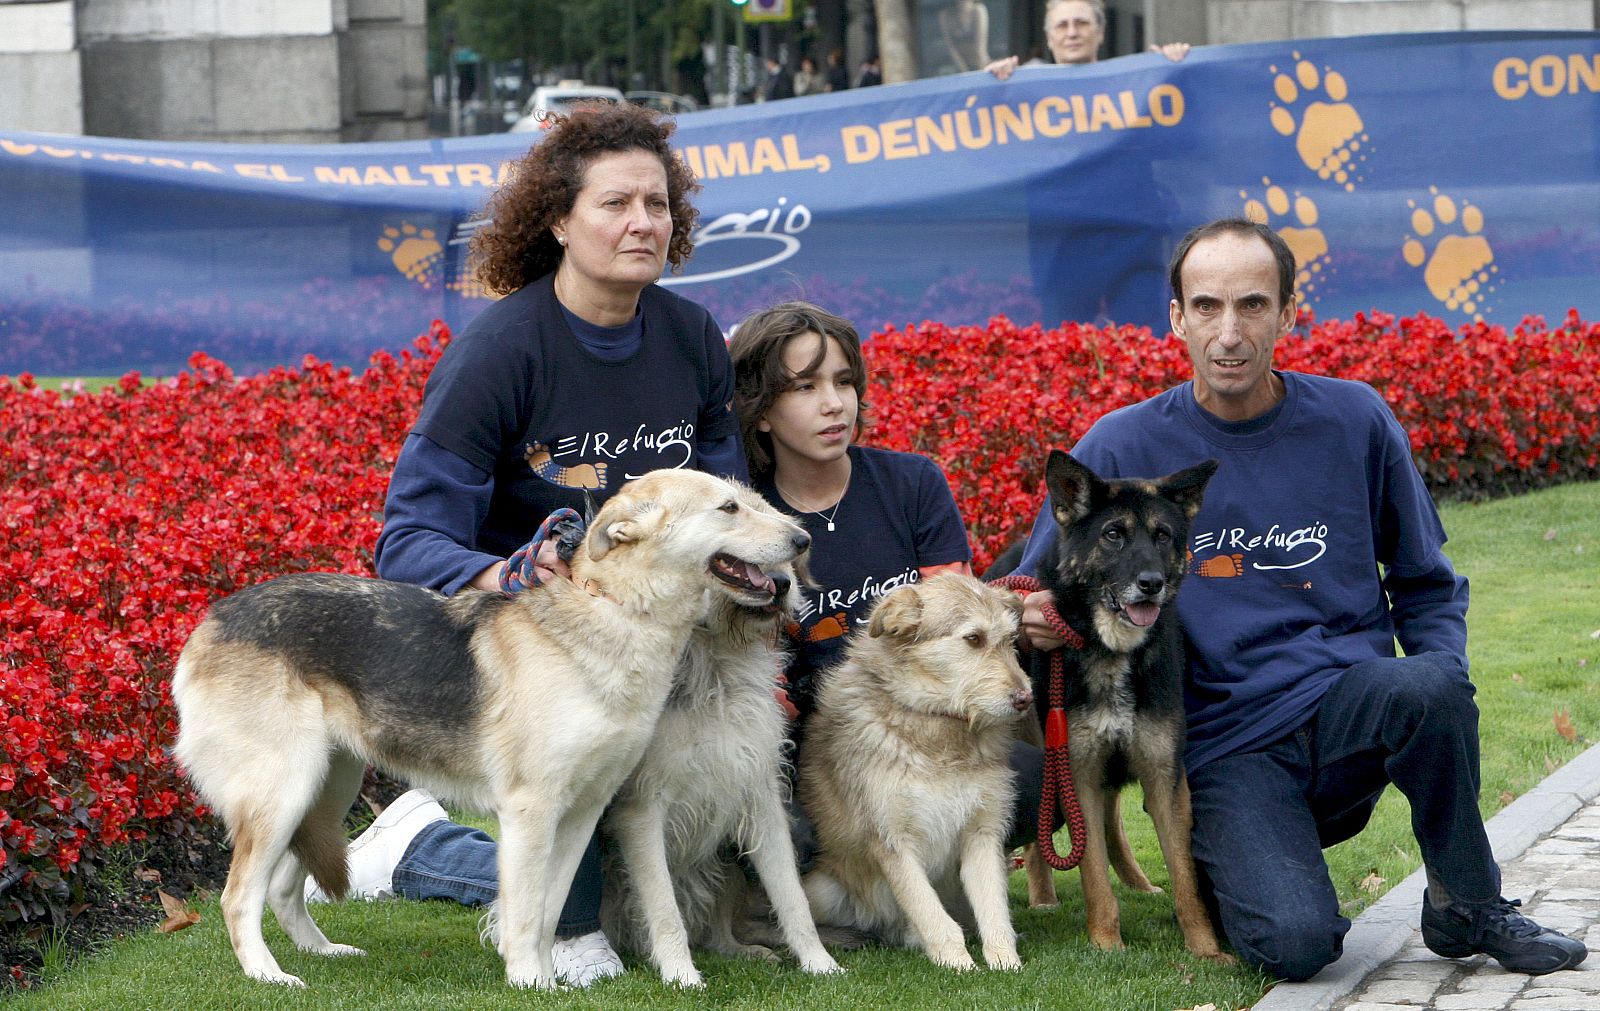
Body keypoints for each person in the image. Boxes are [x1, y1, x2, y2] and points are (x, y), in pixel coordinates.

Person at [1008, 218, 1588, 982]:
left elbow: (1426, 582)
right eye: (1207, 306)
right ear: (1176, 318)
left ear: (1287, 313)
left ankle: (1467, 904)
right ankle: (1242, 862)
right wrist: (1027, 618)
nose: (1229, 332)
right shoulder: (1122, 443)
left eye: (1253, 305)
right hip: (1228, 746)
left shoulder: (1354, 420)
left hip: (1349, 705)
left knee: (1432, 681)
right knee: (1296, 943)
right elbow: (1035, 583)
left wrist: (1441, 696)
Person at [307, 100, 746, 988]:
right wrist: (508, 570)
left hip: (668, 637)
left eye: (658, 204)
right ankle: (418, 850)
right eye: (615, 204)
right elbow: (408, 539)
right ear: (556, 220)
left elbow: (728, 503)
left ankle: (444, 846)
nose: (642, 223)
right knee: (589, 926)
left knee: (753, 842)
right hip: (539, 654)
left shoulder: (692, 336)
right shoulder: (499, 351)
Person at [984, 0, 1189, 80]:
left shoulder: (1129, 83)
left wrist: (1174, 69)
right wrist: (992, 83)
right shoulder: (1025, 84)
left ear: (1100, 32)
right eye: (1062, 25)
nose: (1072, 33)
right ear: (1049, 38)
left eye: (1081, 23)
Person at [938, 0, 992, 74]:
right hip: (954, 65)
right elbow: (949, 46)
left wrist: (982, 70)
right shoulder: (945, 15)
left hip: (979, 63)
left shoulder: (978, 10)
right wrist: (963, 70)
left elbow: (980, 47)